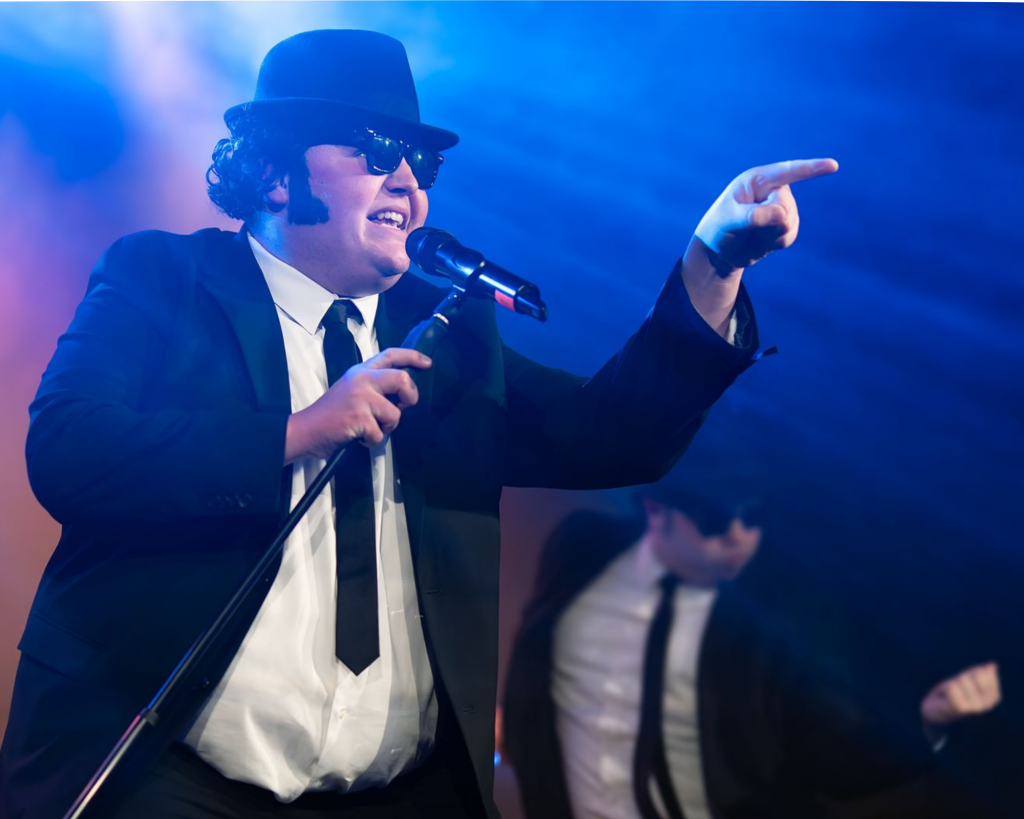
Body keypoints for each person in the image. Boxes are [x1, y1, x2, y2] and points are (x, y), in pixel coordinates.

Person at [0, 28, 838, 819]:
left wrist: (713, 260)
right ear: (276, 174)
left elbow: (612, 431)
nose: (409, 183)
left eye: (421, 161)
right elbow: (69, 449)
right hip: (172, 777)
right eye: (376, 151)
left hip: (401, 793)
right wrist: (300, 430)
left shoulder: (450, 334)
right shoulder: (165, 277)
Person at [502, 479, 1002, 819]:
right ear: (658, 511)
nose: (739, 537)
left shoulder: (762, 629)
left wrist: (929, 725)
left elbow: (832, 744)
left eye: (751, 518)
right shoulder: (585, 545)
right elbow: (541, 646)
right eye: (717, 519)